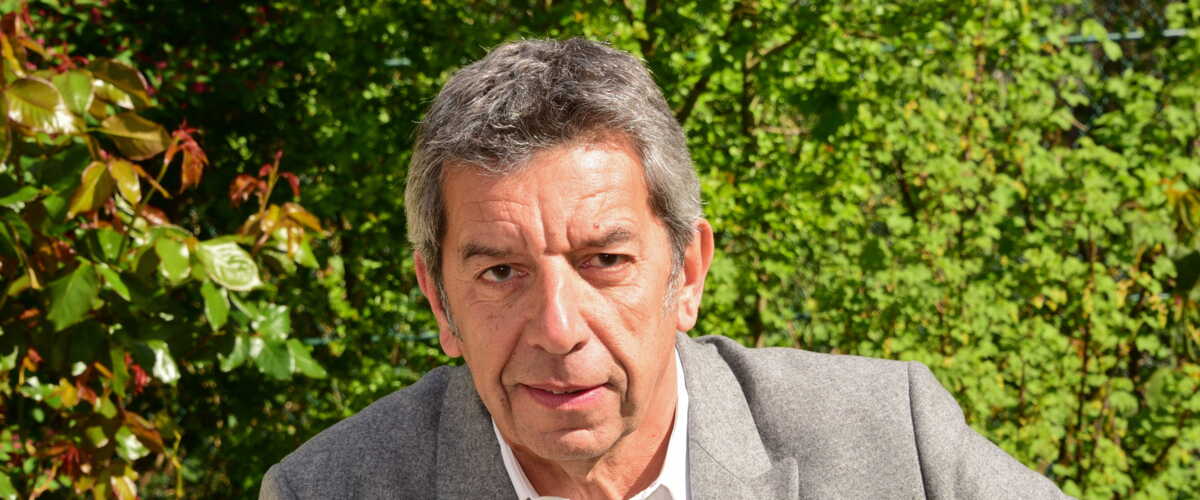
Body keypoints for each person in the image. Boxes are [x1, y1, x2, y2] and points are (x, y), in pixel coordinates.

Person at [259, 38, 1069, 500]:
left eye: (605, 261)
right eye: (501, 272)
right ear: (440, 302)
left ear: (687, 274)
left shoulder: (894, 441)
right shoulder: (324, 490)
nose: (558, 329)